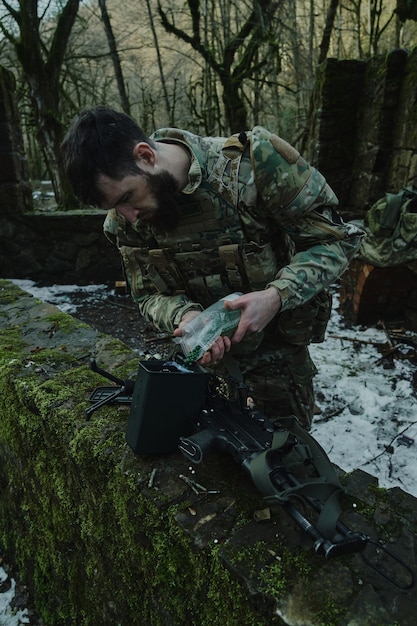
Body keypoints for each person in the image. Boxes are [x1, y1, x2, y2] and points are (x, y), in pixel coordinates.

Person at [61, 106, 363, 429]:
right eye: (115, 207)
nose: (129, 216)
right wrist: (186, 318)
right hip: (201, 375)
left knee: (288, 466)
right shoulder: (124, 223)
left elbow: (336, 241)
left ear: (146, 156)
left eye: (127, 197)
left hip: (280, 369)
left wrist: (276, 296)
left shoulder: (254, 165)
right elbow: (148, 294)